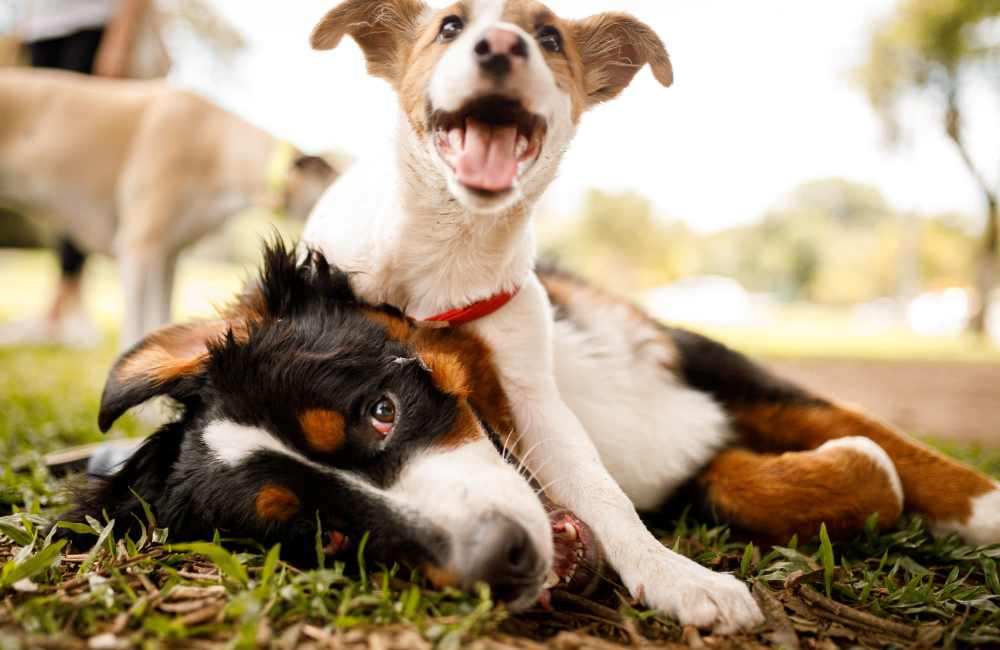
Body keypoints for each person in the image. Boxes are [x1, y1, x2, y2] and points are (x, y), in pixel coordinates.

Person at [13, 0, 165, 345]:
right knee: (50, 170)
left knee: (80, 170)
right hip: (43, 28)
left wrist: (119, 40)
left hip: (93, 24)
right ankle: (57, 304)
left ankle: (70, 298)